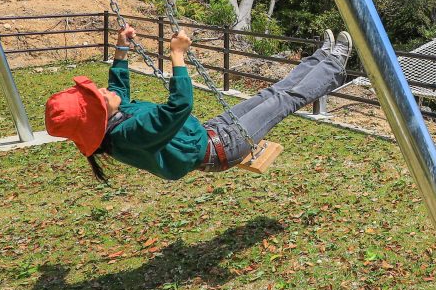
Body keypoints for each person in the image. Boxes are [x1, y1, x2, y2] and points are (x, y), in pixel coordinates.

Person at [44, 24, 353, 182]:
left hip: (211, 133)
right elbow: (179, 106)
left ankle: (320, 57)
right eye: (98, 96)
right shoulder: (129, 134)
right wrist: (177, 55)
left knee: (271, 94)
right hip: (224, 147)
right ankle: (335, 63)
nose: (103, 89)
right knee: (286, 99)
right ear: (99, 116)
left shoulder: (113, 124)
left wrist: (121, 49)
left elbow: (118, 88)